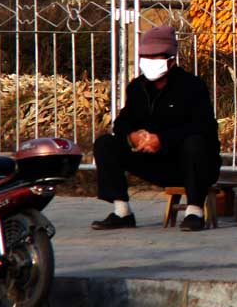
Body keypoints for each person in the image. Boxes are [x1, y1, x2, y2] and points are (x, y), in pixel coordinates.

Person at [91, 25, 222, 232]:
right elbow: (123, 121)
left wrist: (163, 139)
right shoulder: (137, 88)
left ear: (170, 60)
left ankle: (194, 211)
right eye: (146, 57)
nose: (150, 62)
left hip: (190, 162)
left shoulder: (192, 86)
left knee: (195, 142)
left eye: (155, 57)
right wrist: (133, 136)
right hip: (154, 160)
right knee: (105, 144)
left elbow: (202, 125)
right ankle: (122, 211)